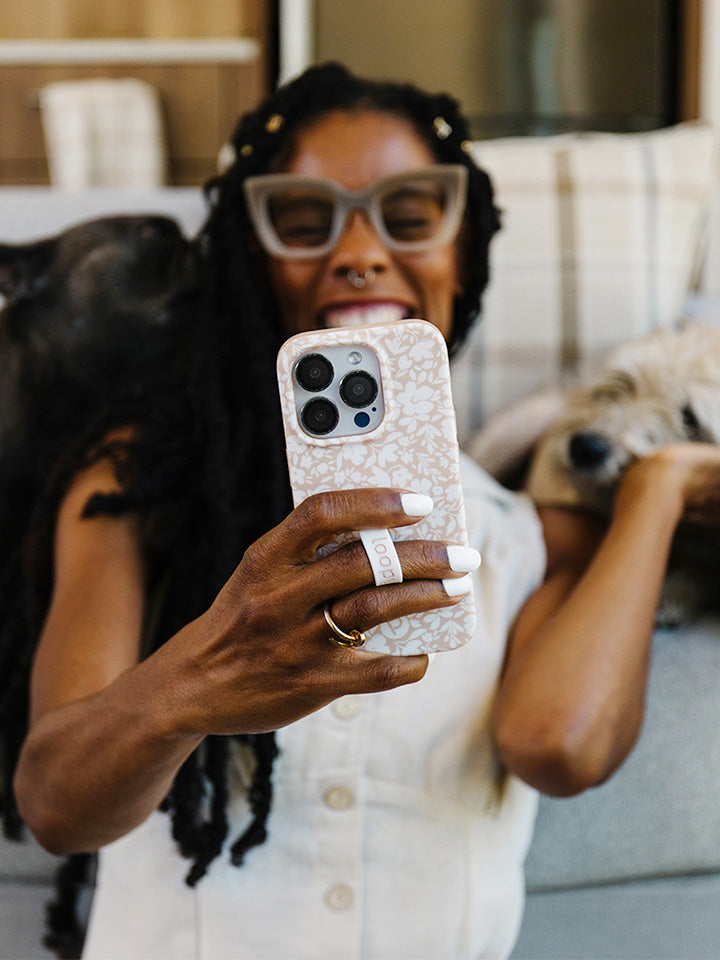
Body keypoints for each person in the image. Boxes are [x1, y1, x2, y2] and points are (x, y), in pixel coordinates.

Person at [10, 62, 720, 960]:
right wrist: (200, 679)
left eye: (410, 215)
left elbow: (560, 747)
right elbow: (57, 804)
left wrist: (656, 490)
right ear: (249, 266)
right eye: (303, 221)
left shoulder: (526, 535)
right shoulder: (141, 487)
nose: (357, 250)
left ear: (466, 258)